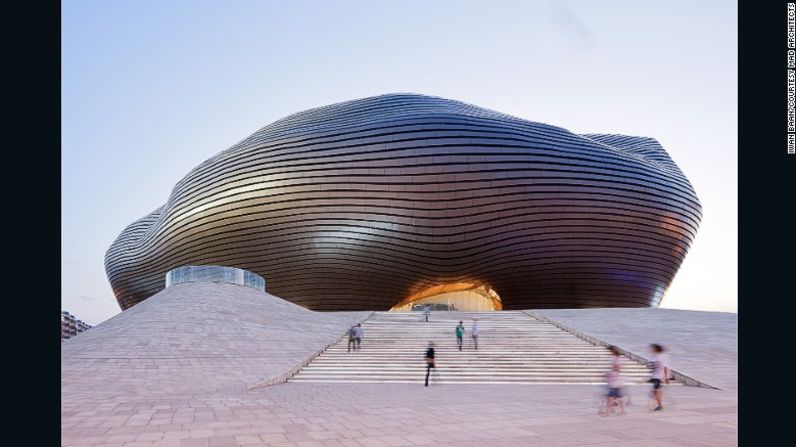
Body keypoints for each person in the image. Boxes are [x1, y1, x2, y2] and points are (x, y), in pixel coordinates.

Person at [602, 346, 626, 415]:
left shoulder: (615, 359)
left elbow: (616, 369)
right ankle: (623, 411)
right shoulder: (617, 358)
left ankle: (607, 412)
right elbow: (617, 369)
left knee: (610, 397)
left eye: (609, 351)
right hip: (616, 381)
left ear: (612, 351)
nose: (608, 353)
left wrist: (608, 374)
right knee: (619, 397)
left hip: (614, 381)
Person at [648, 344, 670, 411]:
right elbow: (652, 367)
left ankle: (659, 406)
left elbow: (665, 368)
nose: (650, 349)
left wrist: (666, 378)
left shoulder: (660, 357)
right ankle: (659, 405)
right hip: (654, 377)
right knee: (654, 392)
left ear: (656, 349)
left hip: (658, 377)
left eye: (652, 348)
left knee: (655, 392)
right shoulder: (653, 357)